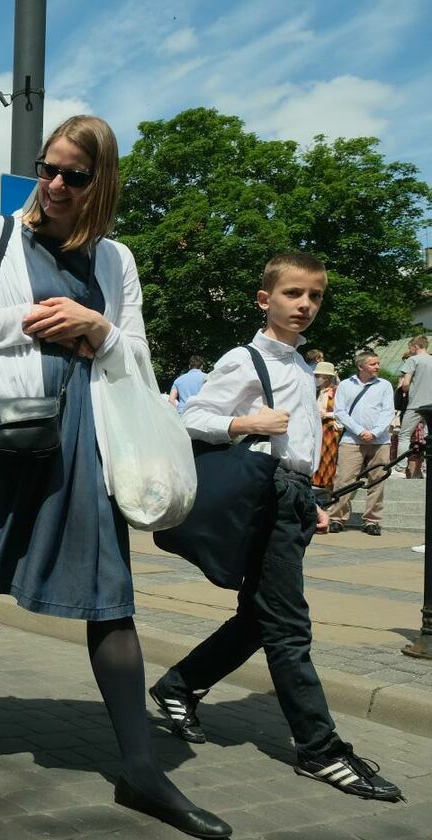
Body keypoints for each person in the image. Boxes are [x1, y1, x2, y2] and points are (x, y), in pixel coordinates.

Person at [0, 116, 229, 838]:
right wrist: (40, 319)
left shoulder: (116, 260)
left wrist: (98, 330)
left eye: (75, 175)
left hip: (84, 437)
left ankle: (139, 768)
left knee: (110, 595)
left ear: (100, 182)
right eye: (50, 168)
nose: (56, 184)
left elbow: (134, 353)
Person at [151, 253, 402, 804]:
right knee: (287, 627)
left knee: (257, 619)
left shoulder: (302, 365)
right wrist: (245, 422)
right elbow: (190, 417)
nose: (305, 305)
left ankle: (178, 687)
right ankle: (321, 749)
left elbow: (299, 446)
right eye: (293, 294)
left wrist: (309, 497)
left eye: (314, 296)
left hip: (290, 498)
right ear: (266, 300)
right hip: (262, 498)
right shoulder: (245, 359)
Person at [327, 351, 394, 535]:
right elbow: (340, 411)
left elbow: (388, 411)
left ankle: (372, 521)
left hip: (380, 441)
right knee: (344, 480)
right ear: (361, 366)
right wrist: (360, 431)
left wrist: (374, 432)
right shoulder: (346, 385)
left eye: (378, 363)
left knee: (377, 480)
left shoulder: (385, 385)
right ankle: (336, 518)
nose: (377, 367)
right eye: (373, 364)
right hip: (352, 440)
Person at [397, 337, 432, 479]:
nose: (409, 350)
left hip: (416, 404)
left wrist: (406, 390)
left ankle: (399, 467)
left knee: (404, 435)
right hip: (431, 405)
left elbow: (405, 384)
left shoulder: (413, 360)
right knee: (428, 437)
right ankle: (426, 468)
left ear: (416, 346)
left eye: (410, 347)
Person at [311, 361, 341, 490]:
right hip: (317, 427)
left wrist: (327, 414)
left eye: (319, 376)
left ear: (327, 377)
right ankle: (316, 482)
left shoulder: (336, 391)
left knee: (328, 457)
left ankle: (327, 485)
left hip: (330, 428)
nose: (317, 378)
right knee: (317, 455)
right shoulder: (318, 391)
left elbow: (342, 412)